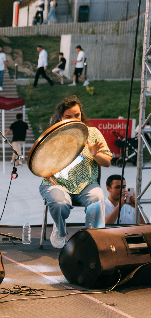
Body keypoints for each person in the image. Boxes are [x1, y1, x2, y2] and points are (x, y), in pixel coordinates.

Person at [39, 96, 111, 248]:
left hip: (86, 184)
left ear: (81, 114)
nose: (74, 119)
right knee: (59, 202)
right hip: (57, 184)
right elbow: (38, 162)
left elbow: (107, 162)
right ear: (60, 118)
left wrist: (95, 154)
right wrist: (44, 171)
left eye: (77, 115)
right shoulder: (52, 136)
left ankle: (94, 240)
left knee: (97, 197)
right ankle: (59, 229)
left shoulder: (93, 133)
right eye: (68, 116)